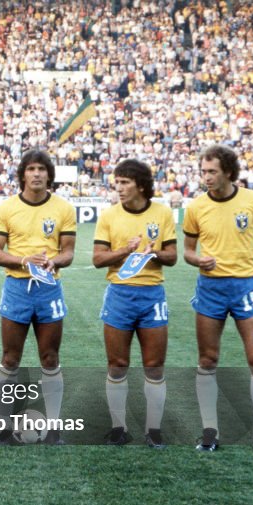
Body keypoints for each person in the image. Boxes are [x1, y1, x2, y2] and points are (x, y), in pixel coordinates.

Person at [183, 145, 253, 454]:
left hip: (247, 288)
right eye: (203, 171)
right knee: (208, 360)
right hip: (210, 289)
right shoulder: (196, 207)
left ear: (228, 172)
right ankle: (210, 430)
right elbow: (188, 250)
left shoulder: (252, 200)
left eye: (212, 171)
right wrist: (197, 261)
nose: (206, 177)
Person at [0, 148, 76, 445]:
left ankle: (53, 428)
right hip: (17, 288)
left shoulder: (64, 208)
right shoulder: (6, 208)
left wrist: (55, 262)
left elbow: (68, 252)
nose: (37, 174)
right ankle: (3, 427)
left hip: (49, 288)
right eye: (31, 169)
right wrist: (23, 261)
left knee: (50, 358)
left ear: (49, 175)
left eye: (42, 169)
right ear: (23, 174)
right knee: (10, 358)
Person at [92, 159, 176, 447]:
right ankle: (118, 428)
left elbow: (173, 257)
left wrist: (154, 254)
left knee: (154, 366)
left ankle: (153, 430)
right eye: (117, 182)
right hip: (119, 294)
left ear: (141, 184)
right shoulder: (109, 216)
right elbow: (97, 259)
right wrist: (123, 251)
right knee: (117, 364)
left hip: (152, 294)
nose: (119, 188)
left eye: (125, 182)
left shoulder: (163, 213)